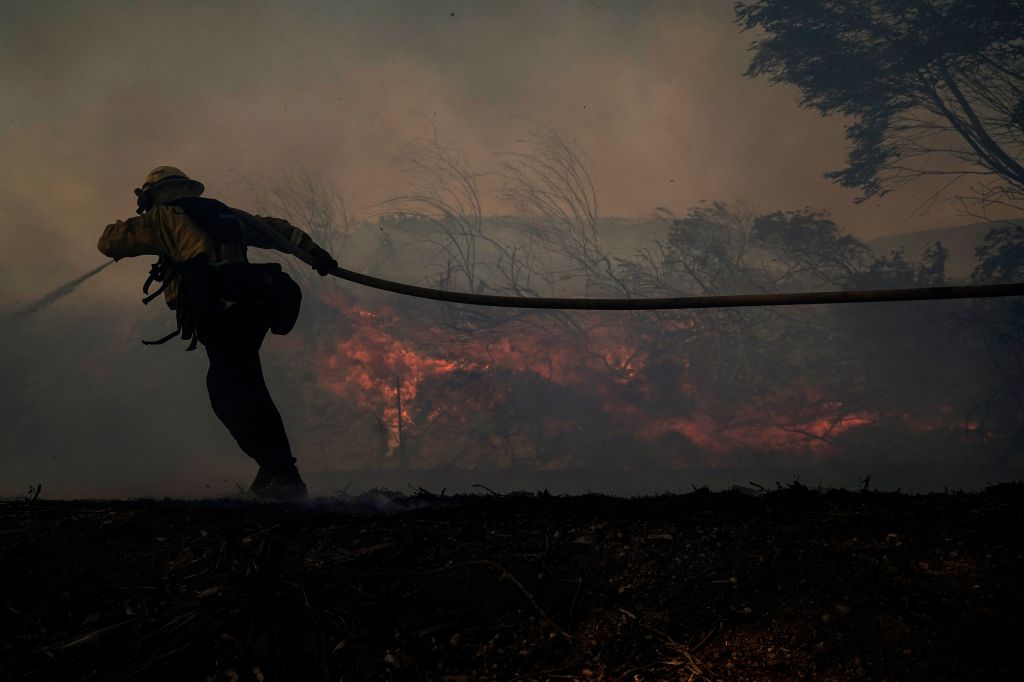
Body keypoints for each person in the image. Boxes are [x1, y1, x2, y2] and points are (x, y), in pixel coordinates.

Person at [97, 166, 338, 501]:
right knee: (244, 383)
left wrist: (145, 219)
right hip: (252, 307)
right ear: (189, 189)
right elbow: (278, 231)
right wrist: (316, 255)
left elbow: (109, 241)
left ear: (153, 195)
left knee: (229, 392)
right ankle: (273, 470)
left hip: (220, 313)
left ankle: (283, 474)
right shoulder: (226, 214)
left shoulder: (162, 218)